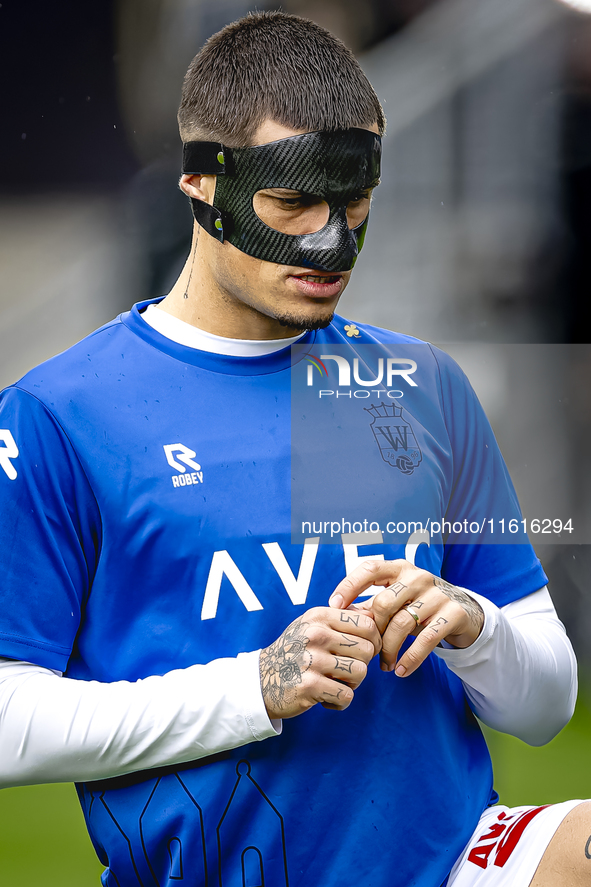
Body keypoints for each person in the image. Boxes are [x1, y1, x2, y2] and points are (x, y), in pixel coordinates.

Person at [0, 11, 587, 887]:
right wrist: (254, 686)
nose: (331, 243)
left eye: (355, 206)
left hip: (449, 856)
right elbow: (9, 721)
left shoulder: (410, 384)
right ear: (201, 185)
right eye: (293, 203)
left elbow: (545, 703)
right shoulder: (62, 414)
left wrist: (473, 626)